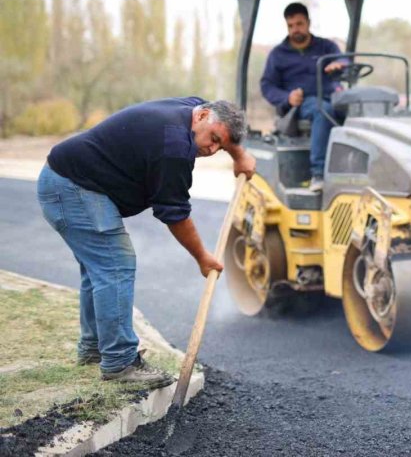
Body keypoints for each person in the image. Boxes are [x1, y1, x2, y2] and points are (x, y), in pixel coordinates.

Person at [37, 98, 256, 387]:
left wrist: (238, 154)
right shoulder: (175, 148)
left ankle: (94, 349)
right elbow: (174, 213)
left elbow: (220, 117)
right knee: (115, 264)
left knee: (99, 270)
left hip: (68, 179)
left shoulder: (192, 109)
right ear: (202, 117)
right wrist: (203, 257)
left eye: (220, 145)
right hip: (72, 188)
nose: (212, 149)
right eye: (213, 140)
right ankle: (120, 363)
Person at [260, 2, 348, 192]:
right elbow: (267, 85)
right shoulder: (278, 54)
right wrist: (287, 97)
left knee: (357, 109)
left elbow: (344, 60)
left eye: (299, 24)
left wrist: (339, 65)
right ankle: (318, 173)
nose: (295, 29)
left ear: (308, 23)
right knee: (322, 111)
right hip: (301, 106)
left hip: (330, 97)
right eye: (291, 26)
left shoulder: (326, 46)